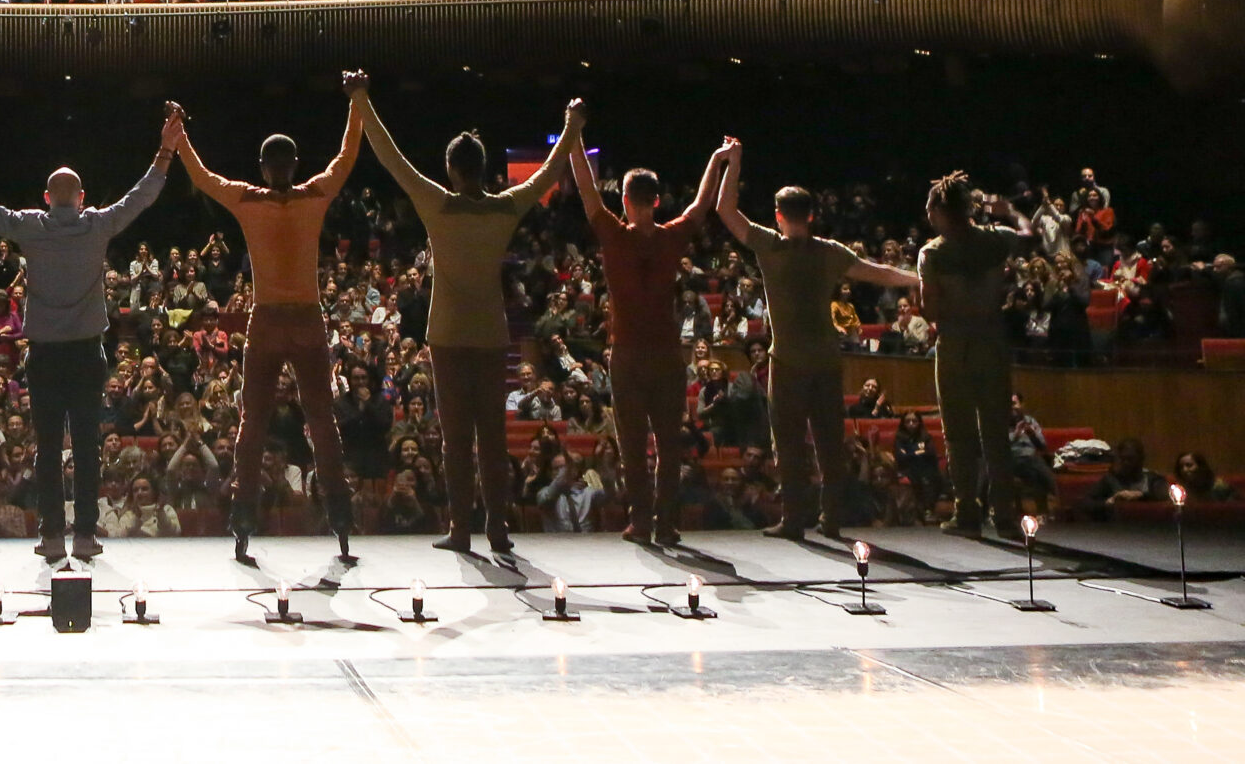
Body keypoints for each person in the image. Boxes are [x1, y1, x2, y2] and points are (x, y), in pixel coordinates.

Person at [0, 106, 182, 562]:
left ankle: (50, 536)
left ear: (46, 197)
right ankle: (83, 535)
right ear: (81, 198)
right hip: (86, 355)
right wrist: (166, 149)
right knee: (86, 447)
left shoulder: (30, 226)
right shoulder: (98, 224)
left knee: (46, 448)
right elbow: (142, 195)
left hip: (44, 356)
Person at [350, 77, 582, 556]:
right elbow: (548, 173)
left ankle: (460, 529)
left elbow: (391, 157)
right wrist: (571, 126)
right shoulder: (504, 207)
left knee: (455, 440)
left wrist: (362, 100)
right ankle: (496, 529)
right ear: (482, 168)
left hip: (448, 335)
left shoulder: (437, 204)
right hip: (491, 334)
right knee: (492, 438)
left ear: (451, 169)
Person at [172, 78, 365, 564]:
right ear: (290, 165)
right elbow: (346, 158)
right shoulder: (310, 195)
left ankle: (247, 519)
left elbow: (202, 178)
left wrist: (179, 135)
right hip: (303, 319)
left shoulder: (251, 198)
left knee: (256, 424)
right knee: (316, 421)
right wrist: (357, 103)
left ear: (267, 166)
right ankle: (337, 516)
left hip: (273, 320)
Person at [713, 169, 919, 539]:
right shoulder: (830, 251)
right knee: (829, 443)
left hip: (787, 361)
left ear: (778, 215)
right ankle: (831, 520)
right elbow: (880, 272)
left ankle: (793, 520)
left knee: (788, 444)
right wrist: (918, 279)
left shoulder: (770, 245)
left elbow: (725, 209)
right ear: (811, 215)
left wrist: (732, 160)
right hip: (825, 359)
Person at [572, 129, 725, 547]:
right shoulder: (671, 236)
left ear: (624, 199)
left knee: (632, 446)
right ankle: (666, 524)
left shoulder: (614, 235)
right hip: (666, 356)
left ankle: (641, 522)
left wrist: (573, 137)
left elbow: (586, 189)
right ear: (657, 200)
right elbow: (702, 203)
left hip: (627, 355)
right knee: (669, 446)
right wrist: (718, 157)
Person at [916, 171, 1033, 535]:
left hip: (954, 344)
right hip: (992, 340)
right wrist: (1010, 211)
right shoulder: (997, 239)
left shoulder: (933, 253)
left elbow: (930, 311)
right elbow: (1030, 236)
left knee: (958, 433)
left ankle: (966, 511)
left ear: (939, 211)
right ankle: (1004, 515)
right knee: (996, 432)